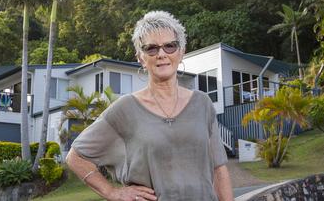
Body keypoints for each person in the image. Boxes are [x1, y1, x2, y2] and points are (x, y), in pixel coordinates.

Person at [66, 11, 234, 201]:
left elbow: (219, 169)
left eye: (170, 46)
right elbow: (75, 157)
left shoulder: (203, 104)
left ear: (181, 51)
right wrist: (112, 192)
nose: (161, 54)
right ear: (140, 57)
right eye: (151, 48)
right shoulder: (125, 109)